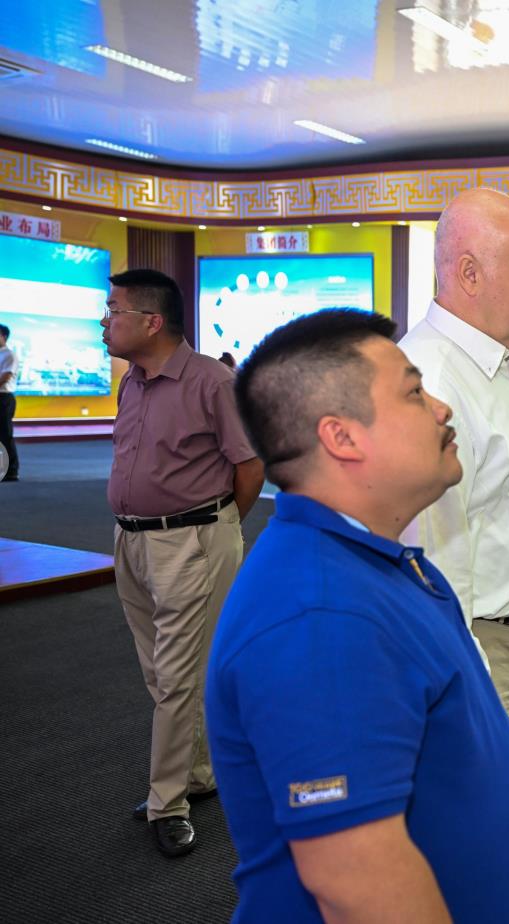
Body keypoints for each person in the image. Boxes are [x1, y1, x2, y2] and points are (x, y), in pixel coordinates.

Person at [206, 310, 509, 923]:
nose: (441, 408)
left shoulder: (374, 562)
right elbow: (355, 887)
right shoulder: (319, 617)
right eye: (414, 393)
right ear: (342, 437)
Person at [398, 188, 509, 896]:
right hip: (471, 654)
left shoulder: (490, 365)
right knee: (471, 854)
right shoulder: (431, 381)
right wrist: (464, 684)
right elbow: (424, 564)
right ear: (469, 274)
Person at [102, 268, 265, 856]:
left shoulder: (212, 381)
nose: (104, 321)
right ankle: (197, 773)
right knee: (161, 673)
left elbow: (250, 465)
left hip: (191, 541)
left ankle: (166, 803)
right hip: (131, 541)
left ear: (152, 321)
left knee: (177, 678)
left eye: (113, 310)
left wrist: (217, 527)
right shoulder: (132, 382)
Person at [0, 322, 16, 482]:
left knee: (5, 435)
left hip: (4, 398)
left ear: (4, 336)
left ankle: (11, 471)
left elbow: (6, 376)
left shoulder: (9, 354)